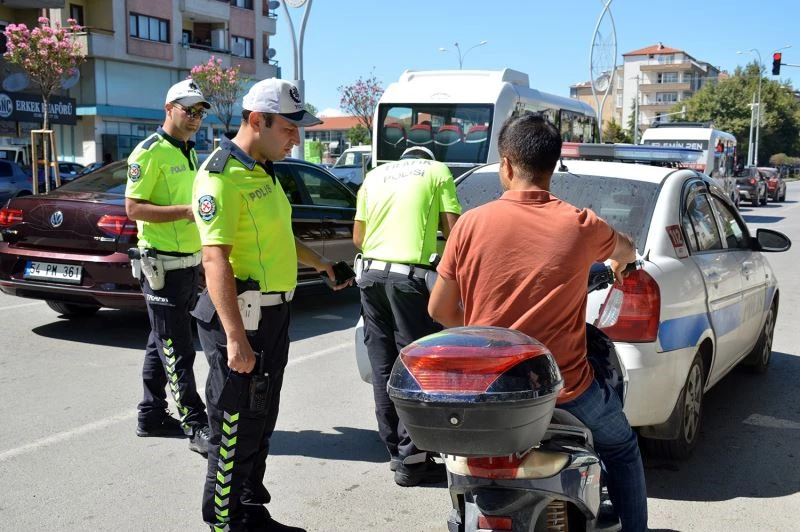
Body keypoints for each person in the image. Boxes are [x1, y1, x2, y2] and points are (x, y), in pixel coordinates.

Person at [428, 113, 648, 531]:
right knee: (621, 448)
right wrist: (624, 261)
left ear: (506, 165)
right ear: (553, 166)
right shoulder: (581, 223)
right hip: (564, 391)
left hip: (487, 392)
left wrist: (479, 333)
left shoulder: (470, 224)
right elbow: (627, 246)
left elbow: (440, 311)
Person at [192, 78, 348, 532]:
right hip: (241, 317)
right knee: (234, 420)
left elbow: (280, 236)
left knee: (262, 416)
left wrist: (321, 264)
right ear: (257, 120)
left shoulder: (264, 170)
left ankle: (249, 508)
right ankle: (225, 520)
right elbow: (214, 258)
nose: (296, 137)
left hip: (274, 314)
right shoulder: (220, 176)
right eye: (289, 128)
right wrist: (236, 338)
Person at [353, 145, 462, 487]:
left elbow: (359, 237)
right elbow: (456, 231)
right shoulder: (438, 172)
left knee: (384, 363)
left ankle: (396, 451)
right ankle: (412, 459)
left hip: (369, 276)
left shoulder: (373, 176)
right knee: (415, 366)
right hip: (410, 279)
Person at [125, 79, 211, 456]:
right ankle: (195, 422)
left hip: (187, 263)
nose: (195, 117)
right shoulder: (149, 153)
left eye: (199, 111)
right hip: (161, 264)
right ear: (169, 109)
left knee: (160, 343)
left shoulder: (189, 152)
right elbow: (133, 207)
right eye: (188, 109)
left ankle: (151, 413)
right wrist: (185, 212)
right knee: (177, 348)